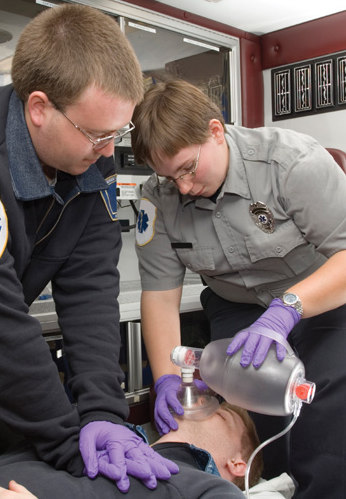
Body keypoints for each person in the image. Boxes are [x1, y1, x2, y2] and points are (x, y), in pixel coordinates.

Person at [0, 3, 179, 493]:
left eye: (119, 133)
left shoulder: (91, 158)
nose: (109, 149)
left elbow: (92, 287)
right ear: (38, 108)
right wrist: (71, 445)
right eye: (98, 134)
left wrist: (103, 414)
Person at [130, 79, 346, 499]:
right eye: (169, 177)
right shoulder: (156, 200)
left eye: (189, 169)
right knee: (253, 410)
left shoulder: (291, 163)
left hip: (321, 297)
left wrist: (288, 310)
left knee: (323, 402)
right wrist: (167, 379)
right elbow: (159, 295)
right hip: (238, 306)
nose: (184, 187)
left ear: (215, 131)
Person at [0, 402, 264, 499]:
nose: (199, 404)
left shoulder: (208, 488)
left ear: (238, 464)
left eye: (221, 414)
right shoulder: (93, 433)